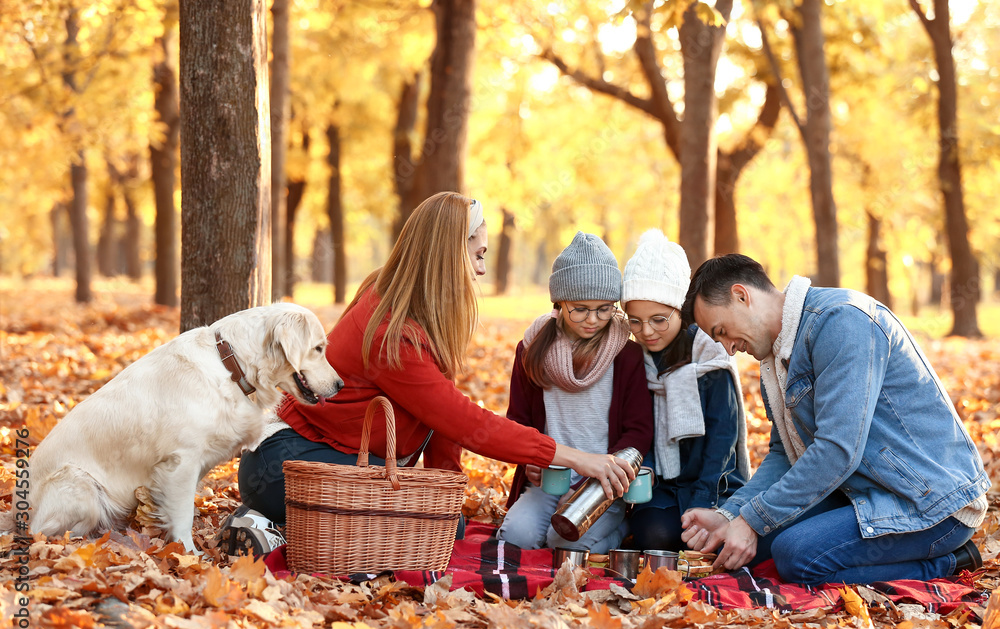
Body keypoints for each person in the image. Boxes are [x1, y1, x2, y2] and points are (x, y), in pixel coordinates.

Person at [217, 193, 636, 556]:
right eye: (478, 255)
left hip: (350, 462)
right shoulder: (389, 329)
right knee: (408, 533)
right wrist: (576, 458)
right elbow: (465, 421)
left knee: (440, 529)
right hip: (298, 463)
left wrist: (446, 496)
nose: (482, 269)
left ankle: (283, 523)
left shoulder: (417, 309)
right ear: (448, 254)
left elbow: (441, 420)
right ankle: (274, 530)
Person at [679, 254, 989, 585]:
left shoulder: (841, 321)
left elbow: (837, 450)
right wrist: (731, 515)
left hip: (929, 503)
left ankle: (948, 561)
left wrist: (753, 520)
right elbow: (784, 454)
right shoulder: (776, 355)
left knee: (795, 555)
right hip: (863, 490)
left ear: (742, 296)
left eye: (722, 331)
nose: (727, 349)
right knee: (754, 549)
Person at [496, 232, 654, 554]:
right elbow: (519, 421)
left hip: (603, 487)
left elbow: (638, 431)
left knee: (565, 544)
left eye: (604, 309)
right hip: (550, 481)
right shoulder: (532, 350)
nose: (593, 320)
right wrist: (530, 461)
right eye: (580, 309)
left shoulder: (626, 356)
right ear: (559, 303)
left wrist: (605, 477)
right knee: (516, 537)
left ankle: (621, 527)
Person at [619, 230, 750, 552]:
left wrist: (705, 500)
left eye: (659, 319)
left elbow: (723, 438)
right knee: (657, 539)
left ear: (681, 310)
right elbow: (636, 426)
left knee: (708, 540)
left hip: (714, 481)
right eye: (635, 322)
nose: (646, 331)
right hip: (662, 483)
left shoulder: (709, 356)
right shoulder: (636, 358)